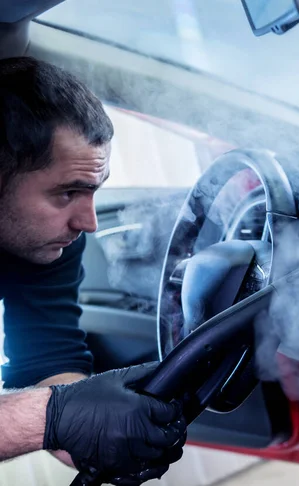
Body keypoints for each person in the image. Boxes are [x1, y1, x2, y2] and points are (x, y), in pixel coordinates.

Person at [0, 56, 186, 484]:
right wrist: (54, 416)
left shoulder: (44, 243)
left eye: (93, 192)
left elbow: (47, 359)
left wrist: (101, 437)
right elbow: (53, 409)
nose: (89, 223)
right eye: (67, 192)